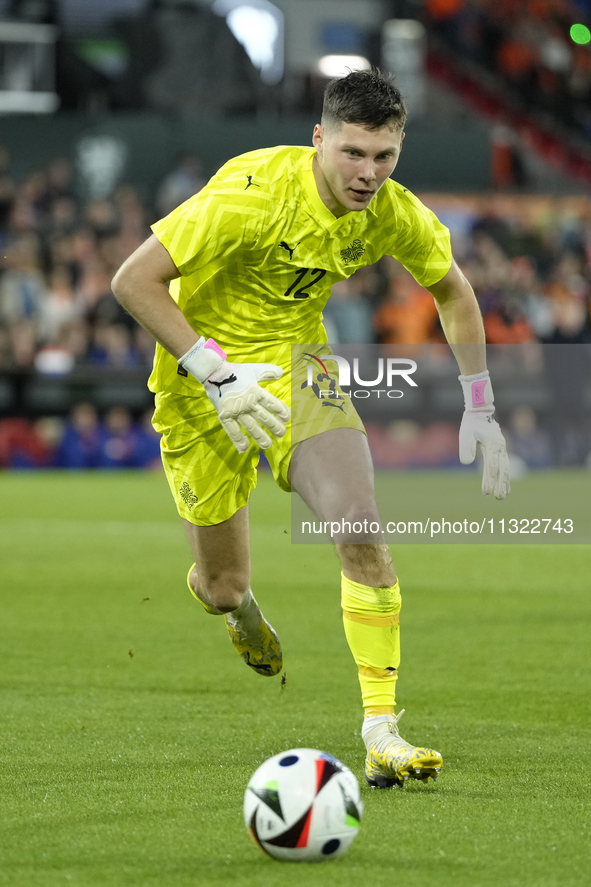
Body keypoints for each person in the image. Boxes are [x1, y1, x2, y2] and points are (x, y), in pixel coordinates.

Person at [111, 69, 511, 789]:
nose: (368, 173)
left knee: (359, 526)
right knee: (221, 584)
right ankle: (238, 612)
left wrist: (478, 403)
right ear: (319, 139)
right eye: (353, 153)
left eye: (384, 156)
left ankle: (380, 728)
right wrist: (214, 371)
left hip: (299, 370)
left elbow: (452, 287)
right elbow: (132, 281)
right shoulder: (252, 195)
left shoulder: (390, 210)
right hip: (199, 384)